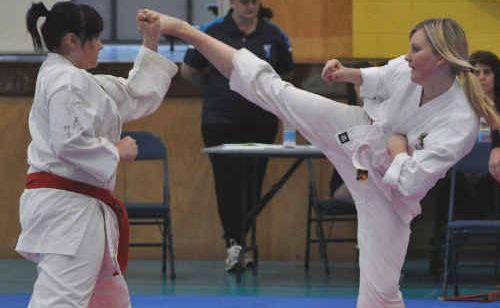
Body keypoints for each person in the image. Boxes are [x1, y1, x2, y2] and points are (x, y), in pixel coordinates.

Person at [145, 11, 500, 307]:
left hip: (389, 197)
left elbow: (412, 181)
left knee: (381, 292)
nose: (407, 56)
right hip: (358, 140)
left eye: (416, 49)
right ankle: (188, 32)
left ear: (439, 58)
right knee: (276, 91)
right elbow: (380, 76)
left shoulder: (460, 122)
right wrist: (348, 74)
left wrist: (396, 148)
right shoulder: (407, 70)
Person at [16, 2, 178, 307]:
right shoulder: (66, 81)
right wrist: (116, 151)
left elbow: (135, 94)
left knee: (108, 298)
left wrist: (150, 40)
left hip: (80, 207)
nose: (101, 44)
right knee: (60, 301)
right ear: (72, 41)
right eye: (95, 38)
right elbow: (69, 142)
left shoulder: (76, 79)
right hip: (69, 210)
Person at [181, 0, 293, 272]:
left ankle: (241, 241)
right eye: (243, 1)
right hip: (221, 120)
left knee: (253, 183)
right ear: (231, 2)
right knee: (227, 182)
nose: (249, 6)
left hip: (261, 121)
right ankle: (234, 243)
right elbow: (189, 71)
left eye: (254, 1)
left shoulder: (274, 35)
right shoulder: (212, 31)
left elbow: (285, 73)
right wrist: (214, 90)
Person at [429, 50, 500, 276]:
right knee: (444, 181)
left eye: (486, 72)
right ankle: (441, 256)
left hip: (493, 175)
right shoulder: (457, 105)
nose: (481, 77)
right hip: (460, 177)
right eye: (475, 72)